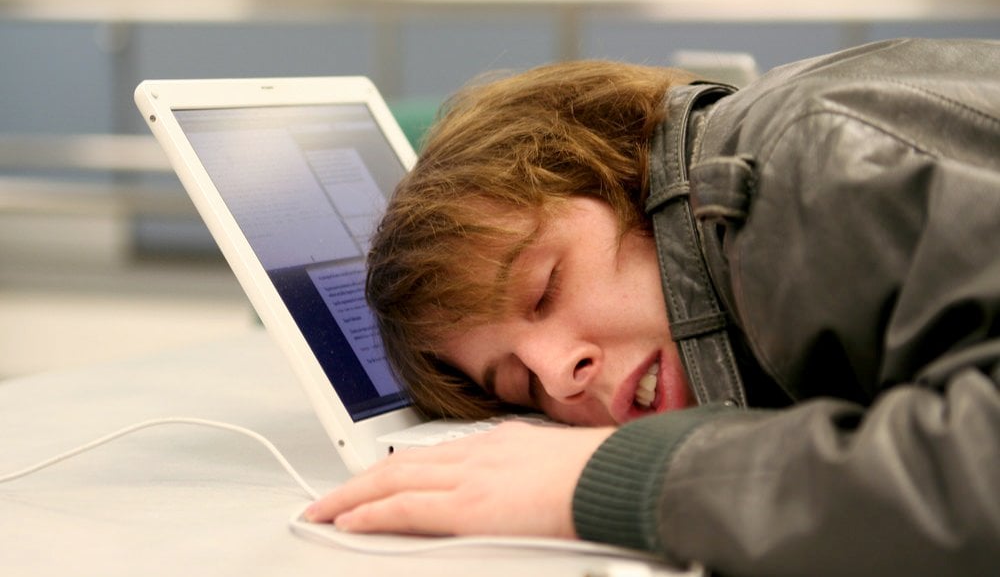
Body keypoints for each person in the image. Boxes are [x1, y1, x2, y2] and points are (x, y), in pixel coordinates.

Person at [305, 38, 1000, 576]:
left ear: (619, 170)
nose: (558, 375)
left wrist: (619, 478)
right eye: (517, 383)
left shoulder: (802, 166)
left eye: (545, 286)